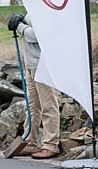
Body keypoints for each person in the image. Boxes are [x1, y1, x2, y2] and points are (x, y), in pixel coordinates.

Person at [8, 13, 61, 159]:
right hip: (32, 65)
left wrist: (19, 26)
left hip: (43, 65)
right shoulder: (32, 8)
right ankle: (30, 142)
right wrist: (22, 20)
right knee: (32, 106)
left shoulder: (44, 9)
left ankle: (51, 145)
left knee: (48, 104)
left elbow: (37, 35)